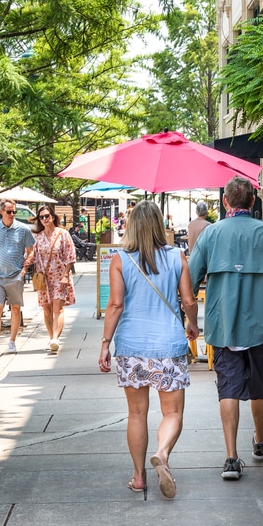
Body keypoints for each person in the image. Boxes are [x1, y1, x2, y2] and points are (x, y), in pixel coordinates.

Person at [189, 176, 263, 481]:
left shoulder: (210, 235)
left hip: (222, 328)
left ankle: (231, 458)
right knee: (260, 386)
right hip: (261, 327)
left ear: (225, 202)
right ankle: (260, 441)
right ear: (253, 202)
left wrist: (190, 320)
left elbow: (191, 282)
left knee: (228, 388)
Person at [99, 200, 199, 499]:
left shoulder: (119, 260)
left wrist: (105, 343)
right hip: (168, 345)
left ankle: (139, 476)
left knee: (136, 414)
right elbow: (189, 301)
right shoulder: (177, 256)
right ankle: (163, 454)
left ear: (130, 226)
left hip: (131, 346)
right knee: (172, 412)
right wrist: (192, 325)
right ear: (159, 225)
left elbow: (116, 304)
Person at [0, 199, 35, 356]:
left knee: (15, 308)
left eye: (14, 211)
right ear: (1, 212)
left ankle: (12, 341)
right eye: (9, 212)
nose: (12, 214)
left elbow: (31, 250)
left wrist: (24, 269)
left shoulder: (23, 229)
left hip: (15, 276)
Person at [31, 204, 77, 352]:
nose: (44, 219)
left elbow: (70, 257)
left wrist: (65, 276)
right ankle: (51, 339)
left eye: (47, 216)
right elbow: (32, 256)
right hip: (43, 278)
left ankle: (56, 338)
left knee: (58, 308)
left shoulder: (63, 234)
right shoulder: (37, 237)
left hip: (59, 276)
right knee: (46, 310)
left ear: (52, 217)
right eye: (41, 217)